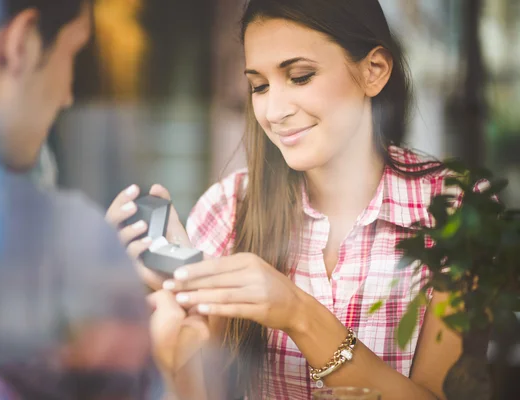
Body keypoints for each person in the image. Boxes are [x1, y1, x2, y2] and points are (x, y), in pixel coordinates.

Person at [109, 0, 464, 399]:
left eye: (300, 76)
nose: (273, 111)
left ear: (374, 70)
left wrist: (299, 313)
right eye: (259, 86)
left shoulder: (455, 212)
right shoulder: (228, 210)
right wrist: (180, 315)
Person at [0, 1, 203, 398]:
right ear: (21, 44)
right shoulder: (62, 248)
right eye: (72, 53)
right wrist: (165, 358)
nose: (68, 95)